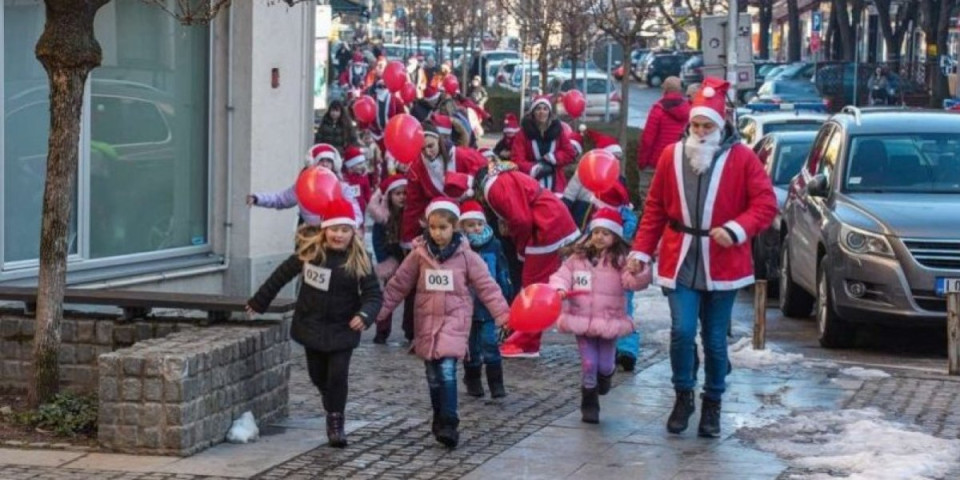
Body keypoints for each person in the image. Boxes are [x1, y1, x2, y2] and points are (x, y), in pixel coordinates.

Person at [626, 78, 777, 438]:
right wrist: (641, 251)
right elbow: (655, 210)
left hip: (723, 263)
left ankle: (713, 403)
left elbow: (765, 204)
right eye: (696, 125)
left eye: (707, 125)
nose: (700, 131)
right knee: (680, 331)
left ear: (721, 125)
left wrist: (737, 229)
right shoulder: (671, 156)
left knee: (713, 338)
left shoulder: (742, 158)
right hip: (680, 257)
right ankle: (683, 394)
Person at [245, 198, 382, 448]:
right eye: (334, 229)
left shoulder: (359, 261)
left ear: (353, 232)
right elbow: (281, 275)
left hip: (343, 328)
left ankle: (335, 422)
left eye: (344, 230)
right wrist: (259, 302)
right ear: (324, 229)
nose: (338, 235)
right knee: (318, 375)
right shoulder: (311, 254)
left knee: (338, 375)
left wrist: (365, 316)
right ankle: (331, 400)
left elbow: (373, 294)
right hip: (312, 326)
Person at [376, 198, 510, 448]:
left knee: (447, 371)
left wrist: (503, 315)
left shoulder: (467, 257)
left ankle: (450, 421)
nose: (438, 233)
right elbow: (398, 285)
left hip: (455, 322)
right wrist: (378, 312)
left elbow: (487, 287)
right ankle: (439, 417)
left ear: (454, 228)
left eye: (444, 228)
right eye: (434, 227)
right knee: (433, 376)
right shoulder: (419, 254)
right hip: (426, 323)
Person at [550, 208, 652, 423]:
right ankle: (589, 400)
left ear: (614, 237)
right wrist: (559, 288)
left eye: (606, 233)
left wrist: (639, 271)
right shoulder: (577, 257)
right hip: (581, 317)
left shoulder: (621, 261)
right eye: (596, 232)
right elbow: (562, 275)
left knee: (604, 364)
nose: (599, 237)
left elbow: (632, 282)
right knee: (589, 363)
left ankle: (605, 377)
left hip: (609, 320)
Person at [476, 162, 580, 358]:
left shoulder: (493, 188)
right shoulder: (503, 178)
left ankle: (526, 342)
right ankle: (524, 339)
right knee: (534, 284)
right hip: (549, 221)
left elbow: (521, 220)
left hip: (546, 227)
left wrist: (521, 245)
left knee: (533, 286)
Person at [400, 122, 486, 249]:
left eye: (430, 146)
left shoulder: (461, 155)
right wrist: (408, 237)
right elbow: (413, 204)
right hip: (442, 226)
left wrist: (465, 181)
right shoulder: (417, 169)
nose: (428, 152)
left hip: (471, 221)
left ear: (438, 139)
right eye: (422, 149)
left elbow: (485, 168)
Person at [459, 200, 513, 398]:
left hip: (489, 305)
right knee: (471, 347)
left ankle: (496, 383)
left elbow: (502, 270)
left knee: (490, 343)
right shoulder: (459, 248)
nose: (476, 228)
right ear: (462, 227)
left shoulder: (494, 244)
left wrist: (506, 294)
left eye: (479, 224)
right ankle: (473, 380)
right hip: (467, 306)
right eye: (471, 225)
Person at [246, 144, 363, 228]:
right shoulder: (304, 185)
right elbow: (281, 199)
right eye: (322, 160)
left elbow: (355, 210)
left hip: (332, 233)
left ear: (334, 164)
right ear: (314, 163)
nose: (325, 164)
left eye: (329, 161)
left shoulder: (342, 187)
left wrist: (351, 226)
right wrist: (258, 198)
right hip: (309, 234)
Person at [368, 174, 411, 344]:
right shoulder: (383, 217)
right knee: (388, 296)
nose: (402, 197)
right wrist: (384, 260)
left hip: (410, 259)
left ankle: (411, 330)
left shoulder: (411, 214)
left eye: (405, 193)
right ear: (389, 196)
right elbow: (377, 240)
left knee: (412, 298)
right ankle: (382, 330)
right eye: (397, 193)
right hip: (392, 260)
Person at [637, 76, 691, 214]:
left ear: (664, 89)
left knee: (649, 198)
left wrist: (642, 162)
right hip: (678, 162)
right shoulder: (689, 111)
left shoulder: (658, 109)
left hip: (655, 162)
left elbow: (648, 139)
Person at [511, 95, 577, 194]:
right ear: (533, 112)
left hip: (556, 183)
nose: (542, 112)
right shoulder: (523, 133)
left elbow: (570, 153)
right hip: (531, 183)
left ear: (549, 112)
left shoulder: (558, 131)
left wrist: (553, 157)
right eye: (538, 109)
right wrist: (535, 168)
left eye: (545, 109)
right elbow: (517, 159)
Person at [341, 145, 372, 216]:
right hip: (347, 207)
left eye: (362, 163)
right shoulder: (344, 178)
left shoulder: (363, 177)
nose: (362, 166)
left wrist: (370, 205)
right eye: (359, 164)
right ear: (351, 166)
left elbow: (367, 194)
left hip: (360, 207)